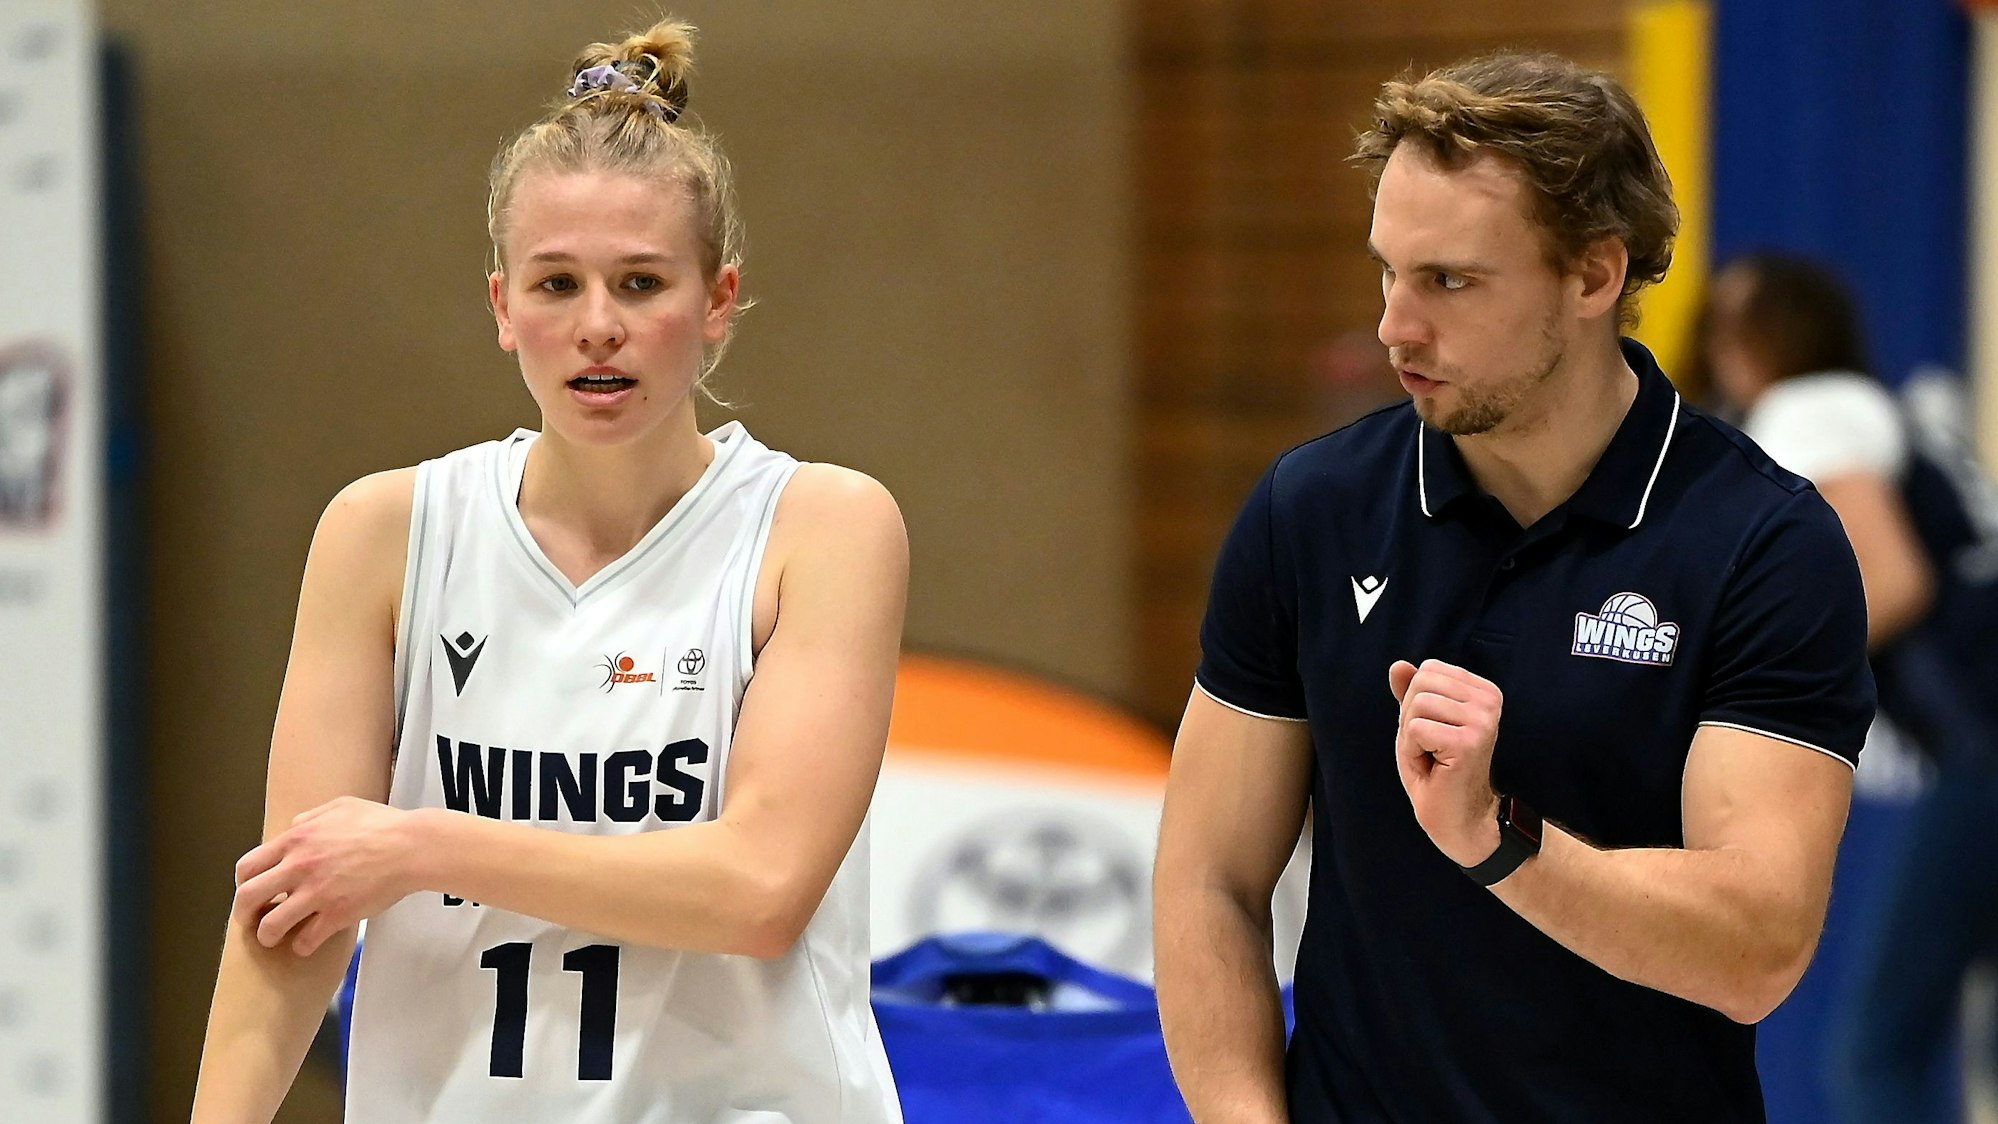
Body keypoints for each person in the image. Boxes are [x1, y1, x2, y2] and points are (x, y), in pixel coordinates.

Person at [190, 19, 908, 1123]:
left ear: (717, 302)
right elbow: (299, 914)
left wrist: (419, 841)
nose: (600, 327)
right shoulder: (383, 532)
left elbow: (761, 889)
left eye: (642, 282)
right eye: (558, 284)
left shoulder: (823, 527)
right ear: (501, 308)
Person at [1152, 52, 1873, 1122]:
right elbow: (1208, 876)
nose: (1397, 323)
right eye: (1387, 270)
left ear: (1593, 277)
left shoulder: (1764, 541)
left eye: (1449, 280)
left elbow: (1757, 946)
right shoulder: (1315, 507)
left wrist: (1496, 836)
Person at [1698, 252, 1998, 1124]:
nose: (1720, 349)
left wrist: (1753, 673)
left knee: (1875, 1053)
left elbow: (1895, 579)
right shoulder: (1879, 410)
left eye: (1736, 325)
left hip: (1985, 753)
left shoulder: (1811, 409)